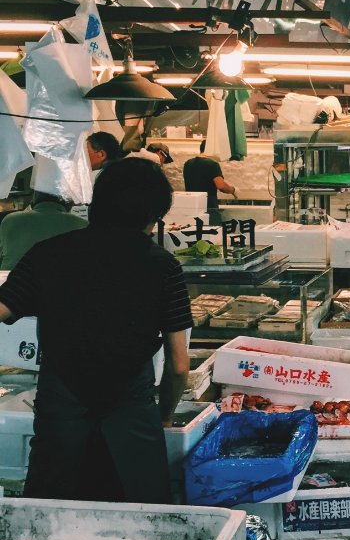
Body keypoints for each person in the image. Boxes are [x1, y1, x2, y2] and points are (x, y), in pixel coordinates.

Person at [0, 158, 192, 502]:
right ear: (153, 216)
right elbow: (178, 366)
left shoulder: (47, 254)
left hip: (60, 424)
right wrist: (163, 416)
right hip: (132, 428)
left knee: (47, 534)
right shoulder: (164, 267)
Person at [0, 192, 87, 270]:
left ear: (33, 201)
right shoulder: (82, 224)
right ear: (69, 204)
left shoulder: (11, 220)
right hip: (61, 283)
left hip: (12, 284)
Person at [183, 140, 237, 222]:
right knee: (213, 232)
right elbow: (221, 186)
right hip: (208, 208)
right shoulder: (212, 165)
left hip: (192, 207)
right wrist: (233, 190)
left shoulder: (187, 163)